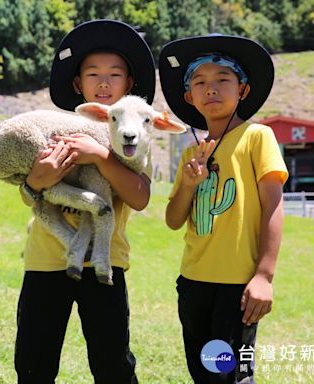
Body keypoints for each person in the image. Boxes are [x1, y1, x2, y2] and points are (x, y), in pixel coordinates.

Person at [14, 19, 155, 384]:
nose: (103, 82)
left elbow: (140, 198)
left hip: (106, 263)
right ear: (78, 83)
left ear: (130, 83)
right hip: (46, 260)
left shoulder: (134, 136)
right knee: (33, 359)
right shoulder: (53, 130)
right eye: (93, 73)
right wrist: (35, 180)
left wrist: (99, 154)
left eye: (114, 74)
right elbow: (31, 195)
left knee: (112, 363)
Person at [159, 34, 289, 383]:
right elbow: (173, 220)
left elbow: (273, 205)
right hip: (193, 283)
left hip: (238, 286)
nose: (211, 89)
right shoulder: (190, 154)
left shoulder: (256, 137)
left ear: (243, 90)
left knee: (229, 375)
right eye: (200, 82)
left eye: (222, 80)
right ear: (189, 97)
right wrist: (188, 184)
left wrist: (264, 275)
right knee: (202, 373)